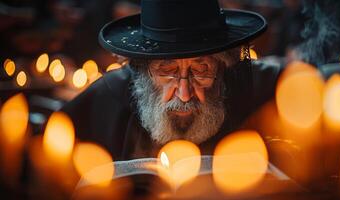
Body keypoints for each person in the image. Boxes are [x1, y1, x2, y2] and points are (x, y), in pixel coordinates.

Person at [61, 0, 280, 160]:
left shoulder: (266, 93)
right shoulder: (103, 103)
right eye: (166, 70)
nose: (184, 94)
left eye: (201, 70)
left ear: (223, 67)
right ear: (141, 71)